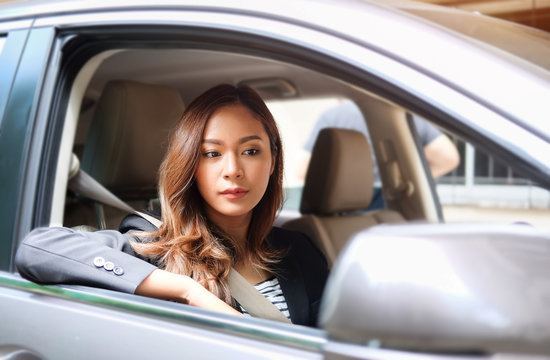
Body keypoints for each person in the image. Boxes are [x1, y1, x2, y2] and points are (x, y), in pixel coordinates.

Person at [15, 84, 328, 327]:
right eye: (212, 154)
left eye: (250, 151)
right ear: (191, 165)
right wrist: (187, 290)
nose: (233, 169)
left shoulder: (300, 252)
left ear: (273, 160)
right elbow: (38, 248)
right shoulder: (158, 246)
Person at [301, 100, 460, 209]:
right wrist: (410, 177)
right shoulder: (403, 115)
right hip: (390, 204)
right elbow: (448, 157)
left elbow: (303, 170)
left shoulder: (332, 116)